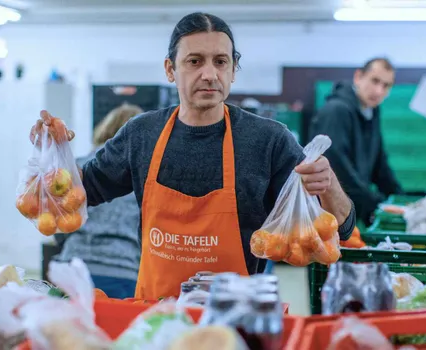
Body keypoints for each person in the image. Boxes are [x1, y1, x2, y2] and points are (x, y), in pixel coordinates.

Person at [30, 12, 356, 300]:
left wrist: (328, 186)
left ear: (233, 70)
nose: (210, 74)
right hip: (155, 318)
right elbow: (81, 194)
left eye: (221, 61)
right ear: (170, 69)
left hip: (233, 320)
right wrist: (54, 154)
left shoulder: (269, 140)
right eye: (195, 61)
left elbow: (339, 230)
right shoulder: (141, 134)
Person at [53, 103, 143, 299]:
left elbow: (58, 223)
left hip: (72, 268)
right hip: (123, 271)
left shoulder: (79, 167)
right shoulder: (144, 175)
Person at [309, 58, 403, 226]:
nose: (379, 90)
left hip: (350, 213)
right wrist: (377, 202)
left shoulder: (371, 112)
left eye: (386, 85)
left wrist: (401, 199)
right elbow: (337, 168)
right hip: (328, 215)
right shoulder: (336, 111)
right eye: (375, 81)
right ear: (358, 77)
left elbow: (379, 166)